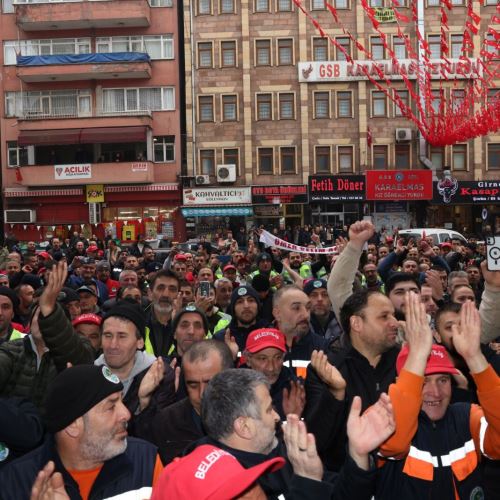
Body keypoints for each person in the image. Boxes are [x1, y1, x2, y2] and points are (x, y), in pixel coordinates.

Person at [196, 368, 395, 499]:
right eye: (268, 409)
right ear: (244, 427)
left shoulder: (281, 453)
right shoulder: (217, 484)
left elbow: (338, 496)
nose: (276, 416)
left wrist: (358, 456)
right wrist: (307, 482)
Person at [376, 293, 500, 499]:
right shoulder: (381, 415)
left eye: (443, 380)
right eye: (423, 381)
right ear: (408, 381)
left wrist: (474, 356)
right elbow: (395, 445)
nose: (435, 392)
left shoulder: (467, 416)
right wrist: (417, 355)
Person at [0, 365, 163, 499]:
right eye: (111, 406)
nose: (126, 414)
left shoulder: (146, 461)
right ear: (73, 425)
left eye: (121, 400)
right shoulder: (15, 481)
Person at [0, 262, 94, 412]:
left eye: (49, 317)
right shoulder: (12, 349)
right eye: (40, 315)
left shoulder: (79, 346)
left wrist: (50, 310)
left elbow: (81, 362)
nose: (44, 322)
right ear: (30, 321)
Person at [140, 340, 234, 464]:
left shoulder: (252, 419)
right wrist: (144, 403)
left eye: (211, 383)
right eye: (193, 385)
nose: (202, 394)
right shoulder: (164, 424)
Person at [94, 302, 176, 420]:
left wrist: (144, 404)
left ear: (140, 342)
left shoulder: (160, 376)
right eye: (107, 335)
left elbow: (159, 434)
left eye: (122, 336)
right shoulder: (90, 376)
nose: (113, 345)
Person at [243, 328, 304, 419]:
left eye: (277, 358)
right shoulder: (236, 391)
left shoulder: (297, 390)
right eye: (263, 358)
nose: (271, 368)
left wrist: (294, 419)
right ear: (248, 359)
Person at [144, 270, 181, 357]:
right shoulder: (137, 323)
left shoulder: (188, 325)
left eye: (172, 289)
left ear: (179, 295)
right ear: (150, 293)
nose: (166, 294)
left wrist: (178, 323)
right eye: (160, 288)